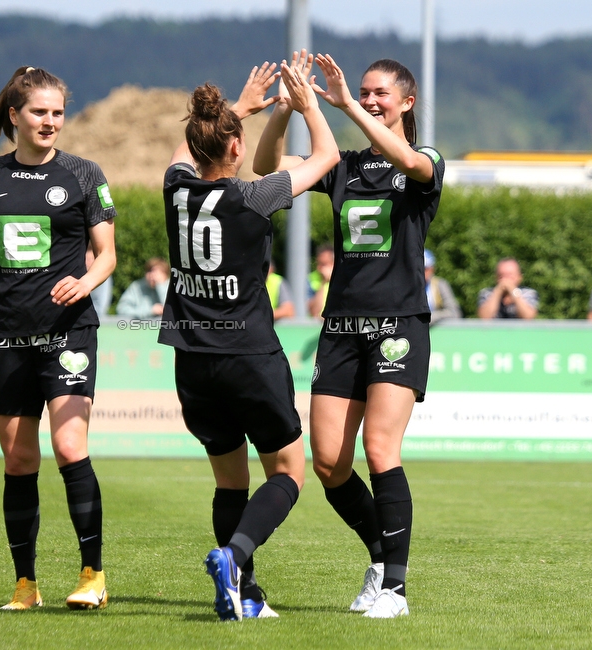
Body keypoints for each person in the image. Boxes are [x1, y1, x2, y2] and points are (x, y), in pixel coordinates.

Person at [254, 53, 445, 618]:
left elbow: (410, 159)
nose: (369, 99)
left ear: (407, 102)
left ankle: (396, 591)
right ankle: (382, 560)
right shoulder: (344, 166)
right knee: (329, 464)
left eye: (379, 93)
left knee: (381, 450)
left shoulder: (425, 159)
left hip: (397, 328)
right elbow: (269, 171)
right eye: (363, 92)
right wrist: (287, 111)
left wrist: (341, 108)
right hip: (340, 329)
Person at [0, 66, 117, 612]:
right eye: (39, 112)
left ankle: (92, 574)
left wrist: (84, 281)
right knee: (18, 462)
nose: (50, 121)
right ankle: (25, 584)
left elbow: (107, 254)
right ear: (15, 116)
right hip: (4, 334)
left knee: (69, 446)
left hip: (68, 331)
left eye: (58, 112)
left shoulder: (84, 173)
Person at [160, 57, 338, 621]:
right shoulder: (254, 196)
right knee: (287, 473)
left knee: (228, 480)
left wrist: (237, 109)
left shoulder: (175, 189)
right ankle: (235, 558)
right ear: (236, 149)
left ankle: (245, 596)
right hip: (249, 356)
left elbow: (185, 153)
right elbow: (327, 158)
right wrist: (305, 106)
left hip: (192, 361)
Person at [424, 249, 461, 323]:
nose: (423, 272)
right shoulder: (407, 286)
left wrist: (431, 317)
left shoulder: (440, 285)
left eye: (426, 269)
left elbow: (454, 312)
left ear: (432, 269)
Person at [308, 244, 334, 318]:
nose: (319, 268)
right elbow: (314, 312)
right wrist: (323, 282)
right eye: (318, 263)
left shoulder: (343, 278)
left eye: (323, 264)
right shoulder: (311, 278)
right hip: (316, 326)